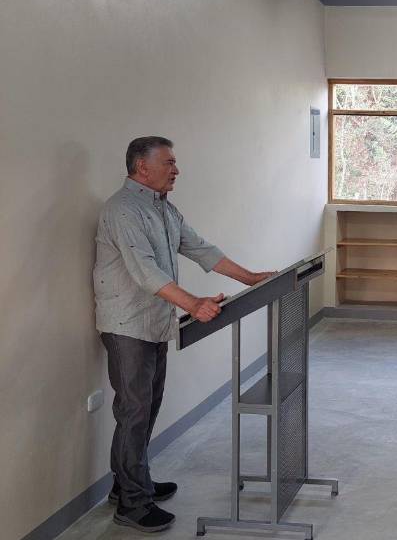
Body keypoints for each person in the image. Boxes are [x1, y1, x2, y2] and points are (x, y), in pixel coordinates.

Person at [94, 137, 273, 532]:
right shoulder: (122, 211)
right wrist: (193, 304)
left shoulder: (162, 208)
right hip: (127, 326)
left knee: (146, 408)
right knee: (135, 411)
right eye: (169, 162)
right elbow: (145, 272)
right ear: (142, 167)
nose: (176, 169)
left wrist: (252, 277)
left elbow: (201, 249)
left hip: (154, 322)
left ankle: (128, 484)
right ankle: (132, 503)